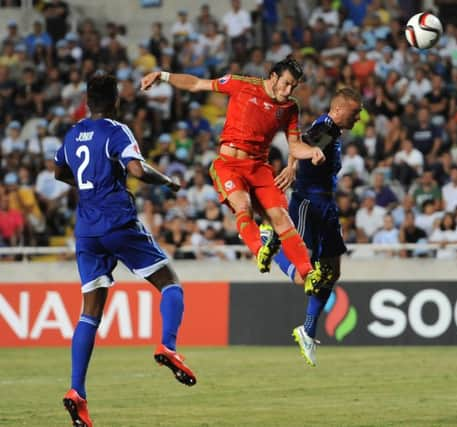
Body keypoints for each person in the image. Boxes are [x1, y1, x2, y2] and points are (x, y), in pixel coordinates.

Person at [55, 73, 196, 427]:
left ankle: (77, 391)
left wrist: (90, 184)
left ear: (87, 101)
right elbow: (135, 168)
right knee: (170, 281)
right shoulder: (117, 130)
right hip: (117, 222)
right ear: (116, 100)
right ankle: (167, 345)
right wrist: (167, 181)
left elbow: (60, 171)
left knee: (90, 311)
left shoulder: (72, 134)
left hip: (86, 230)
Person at [140, 57, 327, 294]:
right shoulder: (240, 84)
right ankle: (262, 250)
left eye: (293, 87)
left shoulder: (290, 108)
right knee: (243, 206)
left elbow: (295, 145)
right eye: (286, 83)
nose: (288, 90)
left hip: (259, 167)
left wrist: (312, 152)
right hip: (228, 165)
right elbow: (197, 84)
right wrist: (162, 75)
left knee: (281, 217)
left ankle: (307, 273)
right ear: (273, 77)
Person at [260, 88, 362, 366]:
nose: (359, 116)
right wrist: (303, 156)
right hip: (309, 204)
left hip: (326, 207)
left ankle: (307, 330)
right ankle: (269, 238)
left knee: (332, 271)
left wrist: (293, 165)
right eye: (356, 112)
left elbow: (302, 144)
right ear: (339, 110)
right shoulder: (326, 127)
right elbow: (300, 144)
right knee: (304, 274)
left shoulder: (332, 131)